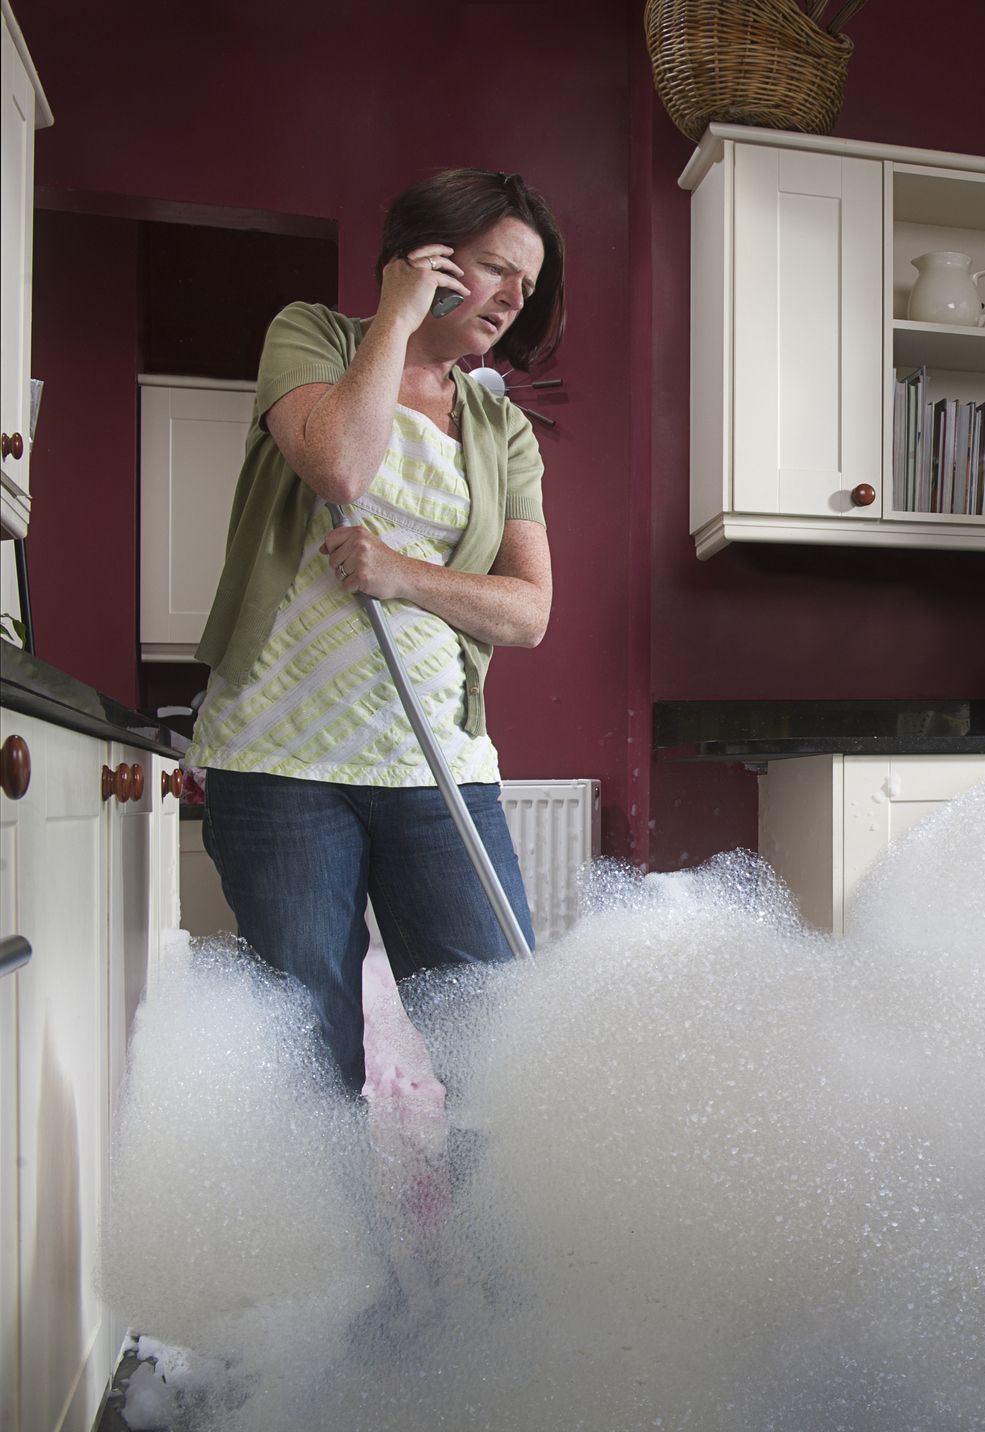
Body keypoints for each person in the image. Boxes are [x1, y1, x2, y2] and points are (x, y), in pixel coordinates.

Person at [188, 168, 566, 1090]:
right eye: (493, 268)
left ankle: (503, 1240)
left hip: (434, 760)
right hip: (280, 759)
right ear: (425, 259)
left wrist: (399, 574)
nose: (515, 297)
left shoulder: (499, 423)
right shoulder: (312, 335)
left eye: (528, 281)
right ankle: (332, 1240)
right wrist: (395, 319)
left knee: (495, 1044)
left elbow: (528, 611)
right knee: (310, 1053)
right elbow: (339, 467)